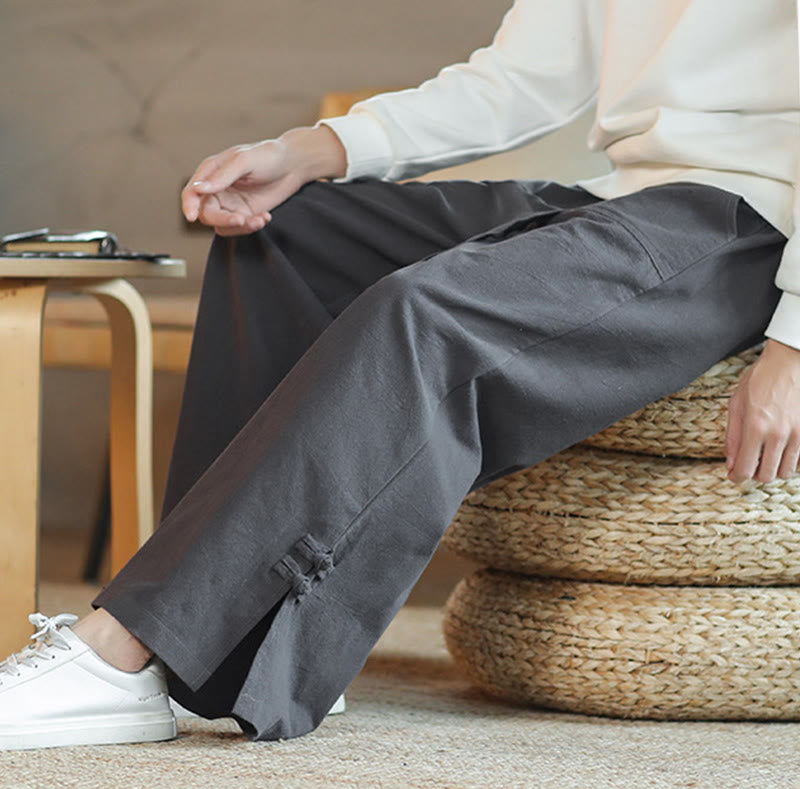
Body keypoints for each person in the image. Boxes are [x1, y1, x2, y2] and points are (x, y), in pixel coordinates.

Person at [1, 0, 799, 750]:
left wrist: (794, 345)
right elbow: (517, 80)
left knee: (422, 315)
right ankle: (218, 652)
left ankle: (126, 648)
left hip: (749, 223)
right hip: (621, 196)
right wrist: (306, 150)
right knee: (287, 235)